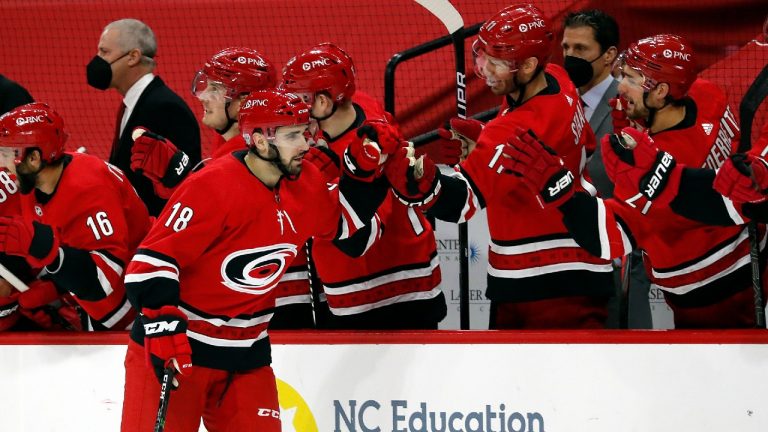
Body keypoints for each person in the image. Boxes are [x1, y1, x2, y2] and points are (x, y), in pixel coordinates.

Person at [120, 88, 393, 431]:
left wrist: (370, 170)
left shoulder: (306, 183)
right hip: (181, 350)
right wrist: (161, 327)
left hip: (247, 355)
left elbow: (346, 227)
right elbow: (149, 264)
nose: (307, 144)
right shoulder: (212, 186)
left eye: (306, 132)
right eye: (293, 135)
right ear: (261, 142)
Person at [385, 4, 614, 329]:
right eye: (484, 58)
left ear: (529, 65)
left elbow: (459, 204)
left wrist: (421, 181)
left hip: (545, 286)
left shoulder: (509, 131)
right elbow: (581, 144)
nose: (487, 71)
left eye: (498, 63)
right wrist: (485, 146)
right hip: (579, 267)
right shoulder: (558, 79)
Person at [504, 34, 756, 328]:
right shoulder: (707, 94)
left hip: (710, 295)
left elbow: (605, 238)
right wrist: (644, 126)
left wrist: (555, 185)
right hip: (750, 255)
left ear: (661, 90)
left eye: (633, 79)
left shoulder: (652, 177)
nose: (621, 86)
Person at [131, 47, 314, 328]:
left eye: (215, 89)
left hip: (270, 303)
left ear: (242, 102)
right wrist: (180, 182)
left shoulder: (267, 156)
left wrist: (183, 179)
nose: (204, 95)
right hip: (246, 298)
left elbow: (250, 211)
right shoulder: (229, 147)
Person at [282, 43, 447, 329]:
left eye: (300, 98)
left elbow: (359, 239)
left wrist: (321, 186)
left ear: (323, 103)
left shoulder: (371, 149)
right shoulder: (358, 105)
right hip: (379, 281)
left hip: (390, 294)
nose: (292, 107)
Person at [0, 102, 151, 330]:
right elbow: (72, 245)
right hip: (97, 311)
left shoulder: (90, 189)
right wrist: (55, 286)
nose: (2, 164)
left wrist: (46, 250)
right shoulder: (34, 183)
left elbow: (104, 281)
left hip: (137, 312)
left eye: (5, 154)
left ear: (33, 158)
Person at [87, 18, 201, 216]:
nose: (97, 60)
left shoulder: (164, 107)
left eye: (104, 52)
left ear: (132, 57)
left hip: (155, 233)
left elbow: (184, 184)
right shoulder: (135, 103)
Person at [561, 9, 620, 197]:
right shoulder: (557, 100)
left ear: (609, 55)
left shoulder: (628, 106)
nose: (570, 56)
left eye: (580, 48)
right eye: (565, 47)